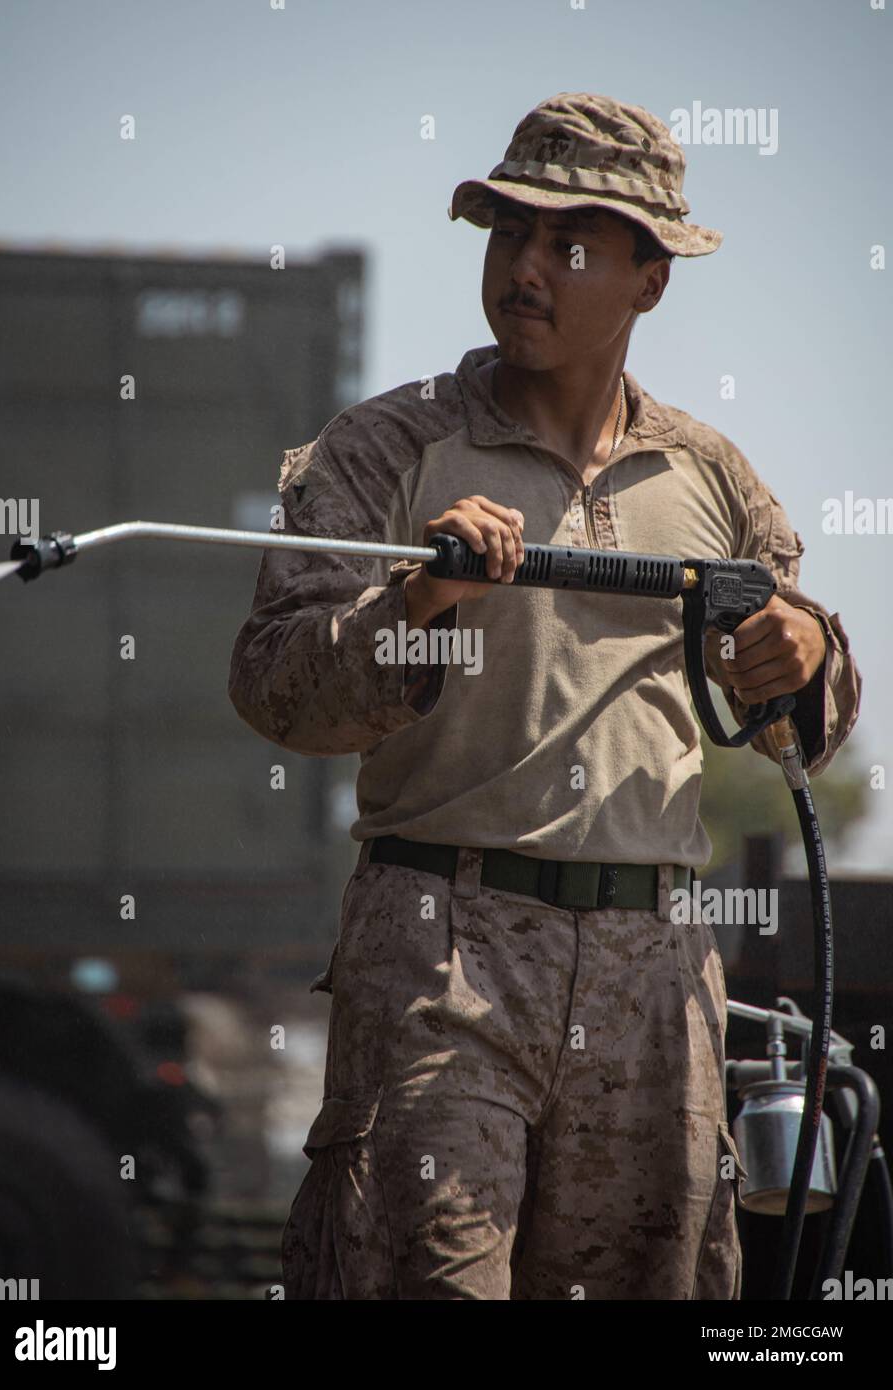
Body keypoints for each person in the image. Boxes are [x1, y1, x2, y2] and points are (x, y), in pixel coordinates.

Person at [227, 92, 862, 1300]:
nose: (525, 266)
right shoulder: (383, 452)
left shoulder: (712, 479)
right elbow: (273, 691)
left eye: (568, 242)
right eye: (505, 231)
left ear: (648, 281)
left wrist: (803, 656)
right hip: (438, 957)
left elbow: (795, 721)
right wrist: (410, 607)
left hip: (654, 970)